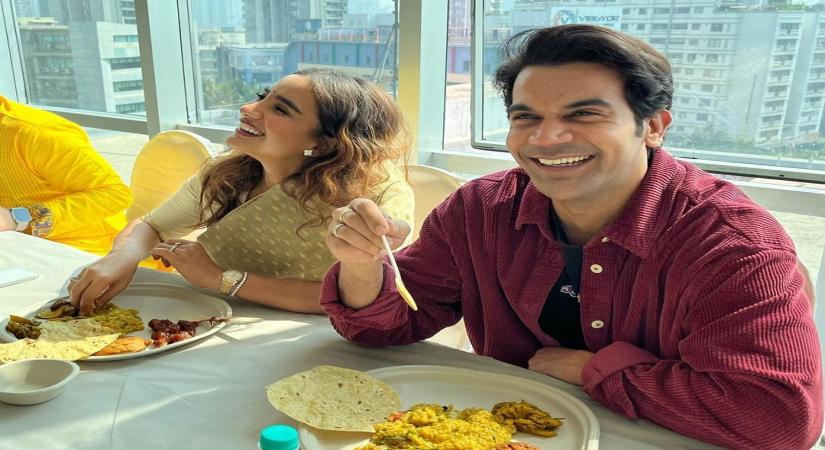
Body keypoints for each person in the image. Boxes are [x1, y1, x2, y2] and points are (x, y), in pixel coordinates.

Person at [320, 25, 823, 449]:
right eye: (526, 118)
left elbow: (778, 418)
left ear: (652, 126)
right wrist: (362, 263)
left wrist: (596, 369)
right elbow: (383, 330)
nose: (545, 138)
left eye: (583, 114)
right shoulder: (480, 210)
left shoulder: (731, 244)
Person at [69, 69, 413, 315]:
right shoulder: (230, 171)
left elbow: (352, 298)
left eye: (279, 109)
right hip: (209, 314)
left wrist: (221, 279)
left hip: (309, 336)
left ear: (323, 142)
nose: (248, 109)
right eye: (264, 96)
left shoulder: (375, 193)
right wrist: (122, 259)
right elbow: (152, 225)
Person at [0, 95, 132, 255]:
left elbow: (114, 194)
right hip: (16, 247)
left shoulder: (35, 132)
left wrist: (17, 218)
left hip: (87, 254)